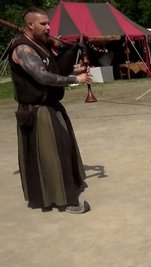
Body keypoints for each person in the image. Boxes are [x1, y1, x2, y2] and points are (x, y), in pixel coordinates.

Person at [8, 7, 92, 213]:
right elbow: (42, 77)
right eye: (43, 23)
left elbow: (49, 70)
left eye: (48, 23)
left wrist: (73, 70)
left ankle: (67, 190)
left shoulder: (40, 46)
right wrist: (75, 79)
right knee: (54, 155)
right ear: (30, 25)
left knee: (64, 148)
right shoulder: (22, 48)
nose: (48, 27)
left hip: (51, 106)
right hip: (38, 111)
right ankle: (68, 201)